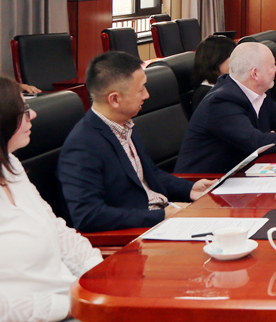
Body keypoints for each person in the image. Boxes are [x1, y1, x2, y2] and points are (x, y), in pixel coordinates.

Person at [0, 75, 168, 322]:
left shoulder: (10, 166)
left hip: (77, 299)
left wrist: (100, 277)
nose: (32, 114)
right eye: (21, 111)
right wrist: (77, 301)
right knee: (166, 314)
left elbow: (60, 232)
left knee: (172, 298)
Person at [58, 52, 214, 233]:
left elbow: (150, 174)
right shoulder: (82, 145)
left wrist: (190, 188)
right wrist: (162, 216)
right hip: (139, 232)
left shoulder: (124, 124)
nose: (146, 95)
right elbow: (88, 215)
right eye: (141, 90)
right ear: (114, 99)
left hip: (163, 216)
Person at [175, 43, 276, 174]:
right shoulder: (222, 101)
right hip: (204, 183)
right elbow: (255, 141)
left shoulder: (259, 91)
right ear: (255, 74)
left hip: (241, 173)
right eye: (272, 66)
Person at [191, 34, 236, 112]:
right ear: (215, 60)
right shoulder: (207, 94)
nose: (236, 60)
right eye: (231, 56)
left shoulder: (226, 84)